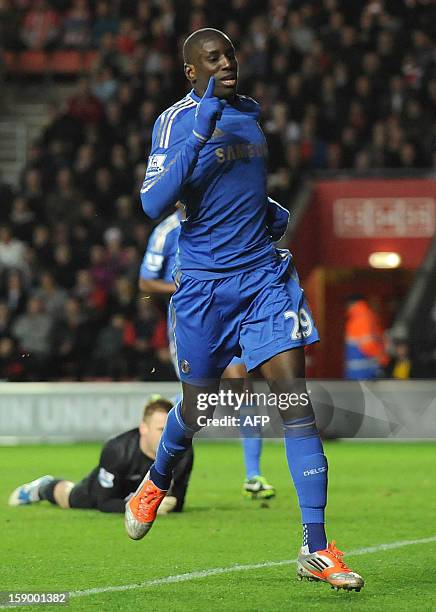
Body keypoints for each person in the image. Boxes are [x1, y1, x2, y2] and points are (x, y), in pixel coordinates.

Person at [127, 28, 364, 592]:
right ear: (191, 71)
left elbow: (242, 184)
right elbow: (153, 203)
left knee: (293, 403)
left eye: (229, 55)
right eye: (212, 59)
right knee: (200, 403)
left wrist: (269, 210)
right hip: (204, 288)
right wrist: (201, 127)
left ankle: (315, 544)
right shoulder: (175, 120)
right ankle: (157, 479)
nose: (225, 64)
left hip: (262, 278)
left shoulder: (252, 116)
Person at [139, 206, 275, 499]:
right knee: (196, 400)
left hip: (224, 318)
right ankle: (167, 409)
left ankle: (253, 475)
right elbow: (145, 281)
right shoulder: (165, 233)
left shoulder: (218, 218)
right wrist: (179, 286)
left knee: (242, 383)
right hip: (189, 322)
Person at [9, 397, 193, 514]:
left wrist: (165, 505)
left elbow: (177, 501)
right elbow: (104, 503)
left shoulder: (183, 453)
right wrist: (145, 507)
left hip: (137, 496)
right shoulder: (118, 450)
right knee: (72, 498)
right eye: (161, 429)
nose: (166, 436)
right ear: (143, 428)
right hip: (102, 493)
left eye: (170, 430)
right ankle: (42, 487)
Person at [344, 294, 388, 380]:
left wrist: (381, 359)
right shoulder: (369, 316)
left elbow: (368, 345)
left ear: (351, 304)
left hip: (361, 373)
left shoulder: (359, 319)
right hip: (367, 369)